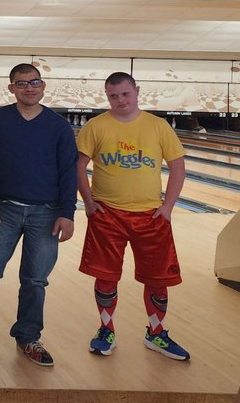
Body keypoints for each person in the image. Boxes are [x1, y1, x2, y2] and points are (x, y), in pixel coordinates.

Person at [0, 64, 77, 367]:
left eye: (34, 82)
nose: (29, 88)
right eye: (21, 84)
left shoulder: (58, 126)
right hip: (4, 208)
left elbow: (68, 171)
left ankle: (28, 337)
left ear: (43, 86)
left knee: (35, 281)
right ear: (12, 88)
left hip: (46, 213)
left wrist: (68, 213)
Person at [76, 71, 190, 361]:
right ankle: (106, 329)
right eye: (113, 96)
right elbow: (78, 167)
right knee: (105, 275)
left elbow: (178, 166)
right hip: (107, 214)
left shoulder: (159, 126)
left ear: (136, 91)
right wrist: (88, 203)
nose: (120, 100)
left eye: (125, 94)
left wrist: (168, 207)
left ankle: (156, 333)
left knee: (158, 277)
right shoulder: (95, 126)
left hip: (151, 215)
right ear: (107, 96)